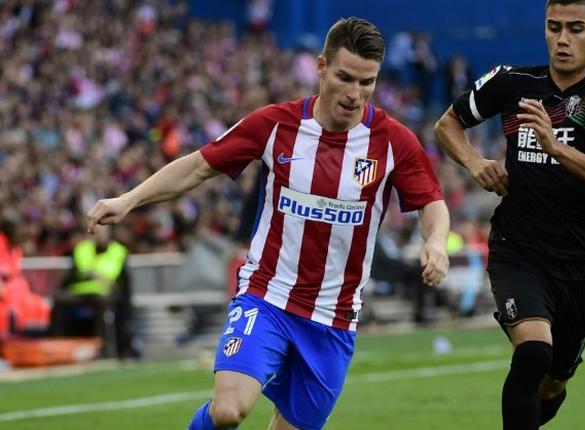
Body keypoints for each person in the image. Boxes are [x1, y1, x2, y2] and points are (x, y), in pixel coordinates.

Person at [86, 17, 449, 430]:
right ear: (321, 67)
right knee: (228, 411)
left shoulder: (393, 141)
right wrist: (129, 199)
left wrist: (436, 241)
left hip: (334, 319)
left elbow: (431, 202)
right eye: (345, 77)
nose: (354, 94)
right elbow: (197, 168)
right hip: (267, 296)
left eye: (367, 83)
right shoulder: (276, 124)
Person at [434, 1, 585, 428]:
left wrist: (556, 147)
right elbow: (447, 125)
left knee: (552, 382)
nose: (563, 39)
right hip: (519, 249)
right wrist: (474, 162)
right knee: (533, 351)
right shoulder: (512, 82)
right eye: (554, 27)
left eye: (576, 29)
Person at [50, 226, 134, 359]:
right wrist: (97, 276)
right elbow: (81, 271)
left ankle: (102, 348)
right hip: (80, 291)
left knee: (102, 303)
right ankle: (58, 346)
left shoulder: (118, 251)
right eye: (96, 233)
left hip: (104, 294)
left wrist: (95, 275)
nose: (99, 236)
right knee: (59, 299)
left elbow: (113, 277)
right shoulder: (82, 248)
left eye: (102, 233)